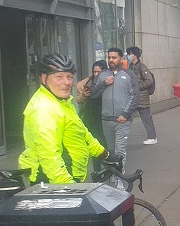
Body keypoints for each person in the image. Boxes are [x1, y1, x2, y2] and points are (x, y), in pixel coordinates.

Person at [18, 53, 118, 184]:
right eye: (59, 77)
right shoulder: (44, 109)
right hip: (52, 180)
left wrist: (105, 154)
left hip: (69, 175)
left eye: (69, 77)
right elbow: (49, 156)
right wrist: (69, 187)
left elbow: (81, 133)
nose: (66, 82)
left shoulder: (61, 102)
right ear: (44, 79)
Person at [91, 47, 139, 189]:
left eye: (114, 57)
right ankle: (112, 179)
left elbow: (134, 96)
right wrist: (103, 83)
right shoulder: (102, 75)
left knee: (120, 151)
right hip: (106, 119)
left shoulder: (129, 74)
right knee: (111, 152)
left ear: (120, 59)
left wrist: (125, 114)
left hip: (122, 120)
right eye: (109, 57)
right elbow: (93, 94)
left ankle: (119, 179)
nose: (111, 60)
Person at [77, 60, 108, 170]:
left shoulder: (108, 81)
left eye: (98, 72)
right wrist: (84, 95)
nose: (96, 74)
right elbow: (79, 100)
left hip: (103, 115)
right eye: (94, 71)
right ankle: (97, 169)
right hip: (90, 116)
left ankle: (108, 165)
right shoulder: (89, 82)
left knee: (104, 142)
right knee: (95, 142)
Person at [126, 46, 157, 145]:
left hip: (142, 97)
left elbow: (149, 80)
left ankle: (152, 137)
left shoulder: (142, 67)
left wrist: (137, 87)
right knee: (127, 117)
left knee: (146, 118)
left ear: (135, 55)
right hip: (133, 97)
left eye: (130, 54)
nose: (128, 56)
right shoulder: (130, 66)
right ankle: (123, 135)